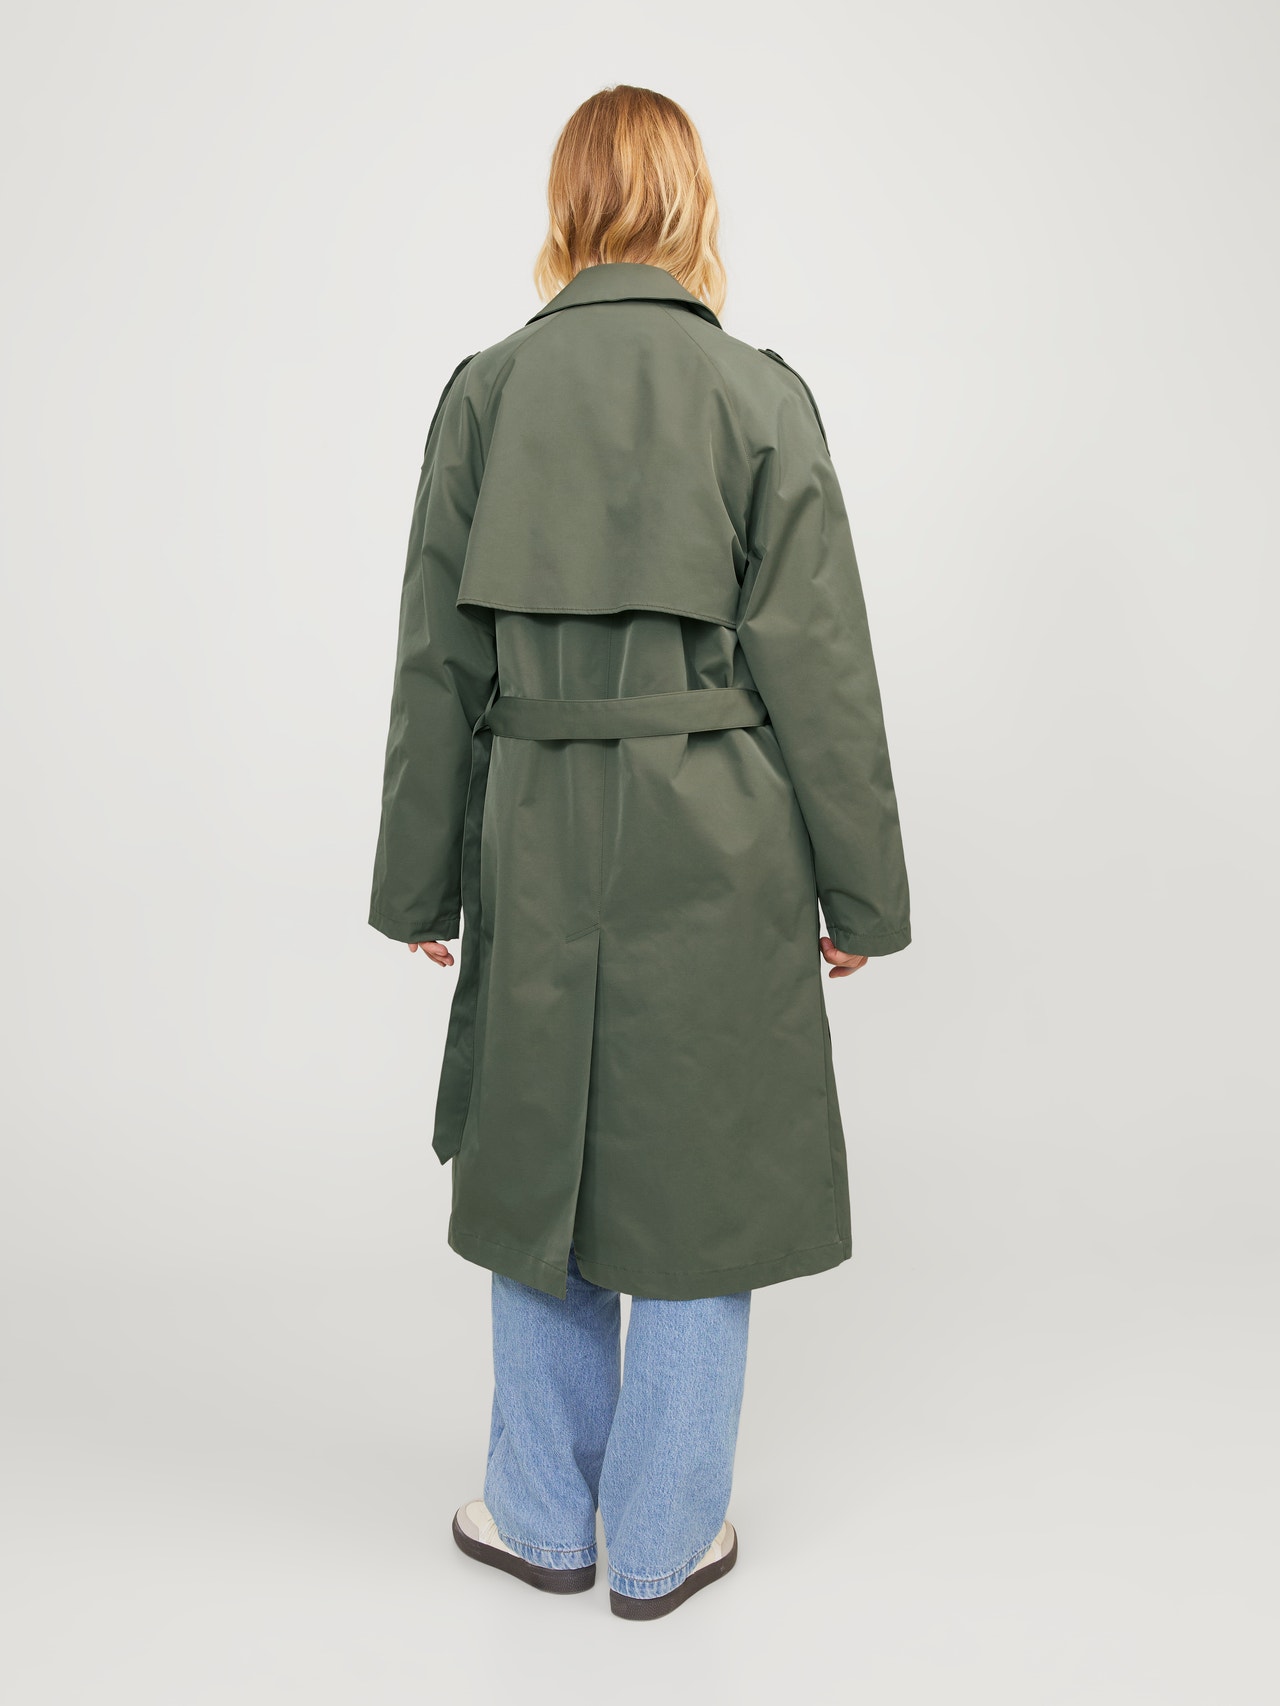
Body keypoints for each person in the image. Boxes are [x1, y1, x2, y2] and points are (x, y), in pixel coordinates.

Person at [369, 85, 911, 1620]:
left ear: (567, 206)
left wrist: (418, 876)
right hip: (718, 834)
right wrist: (861, 891)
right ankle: (666, 1536)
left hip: (535, 822)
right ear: (690, 204)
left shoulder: (485, 394)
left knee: (537, 1145)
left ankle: (542, 1512)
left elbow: (437, 662)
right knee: (698, 1163)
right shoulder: (758, 397)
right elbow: (823, 667)